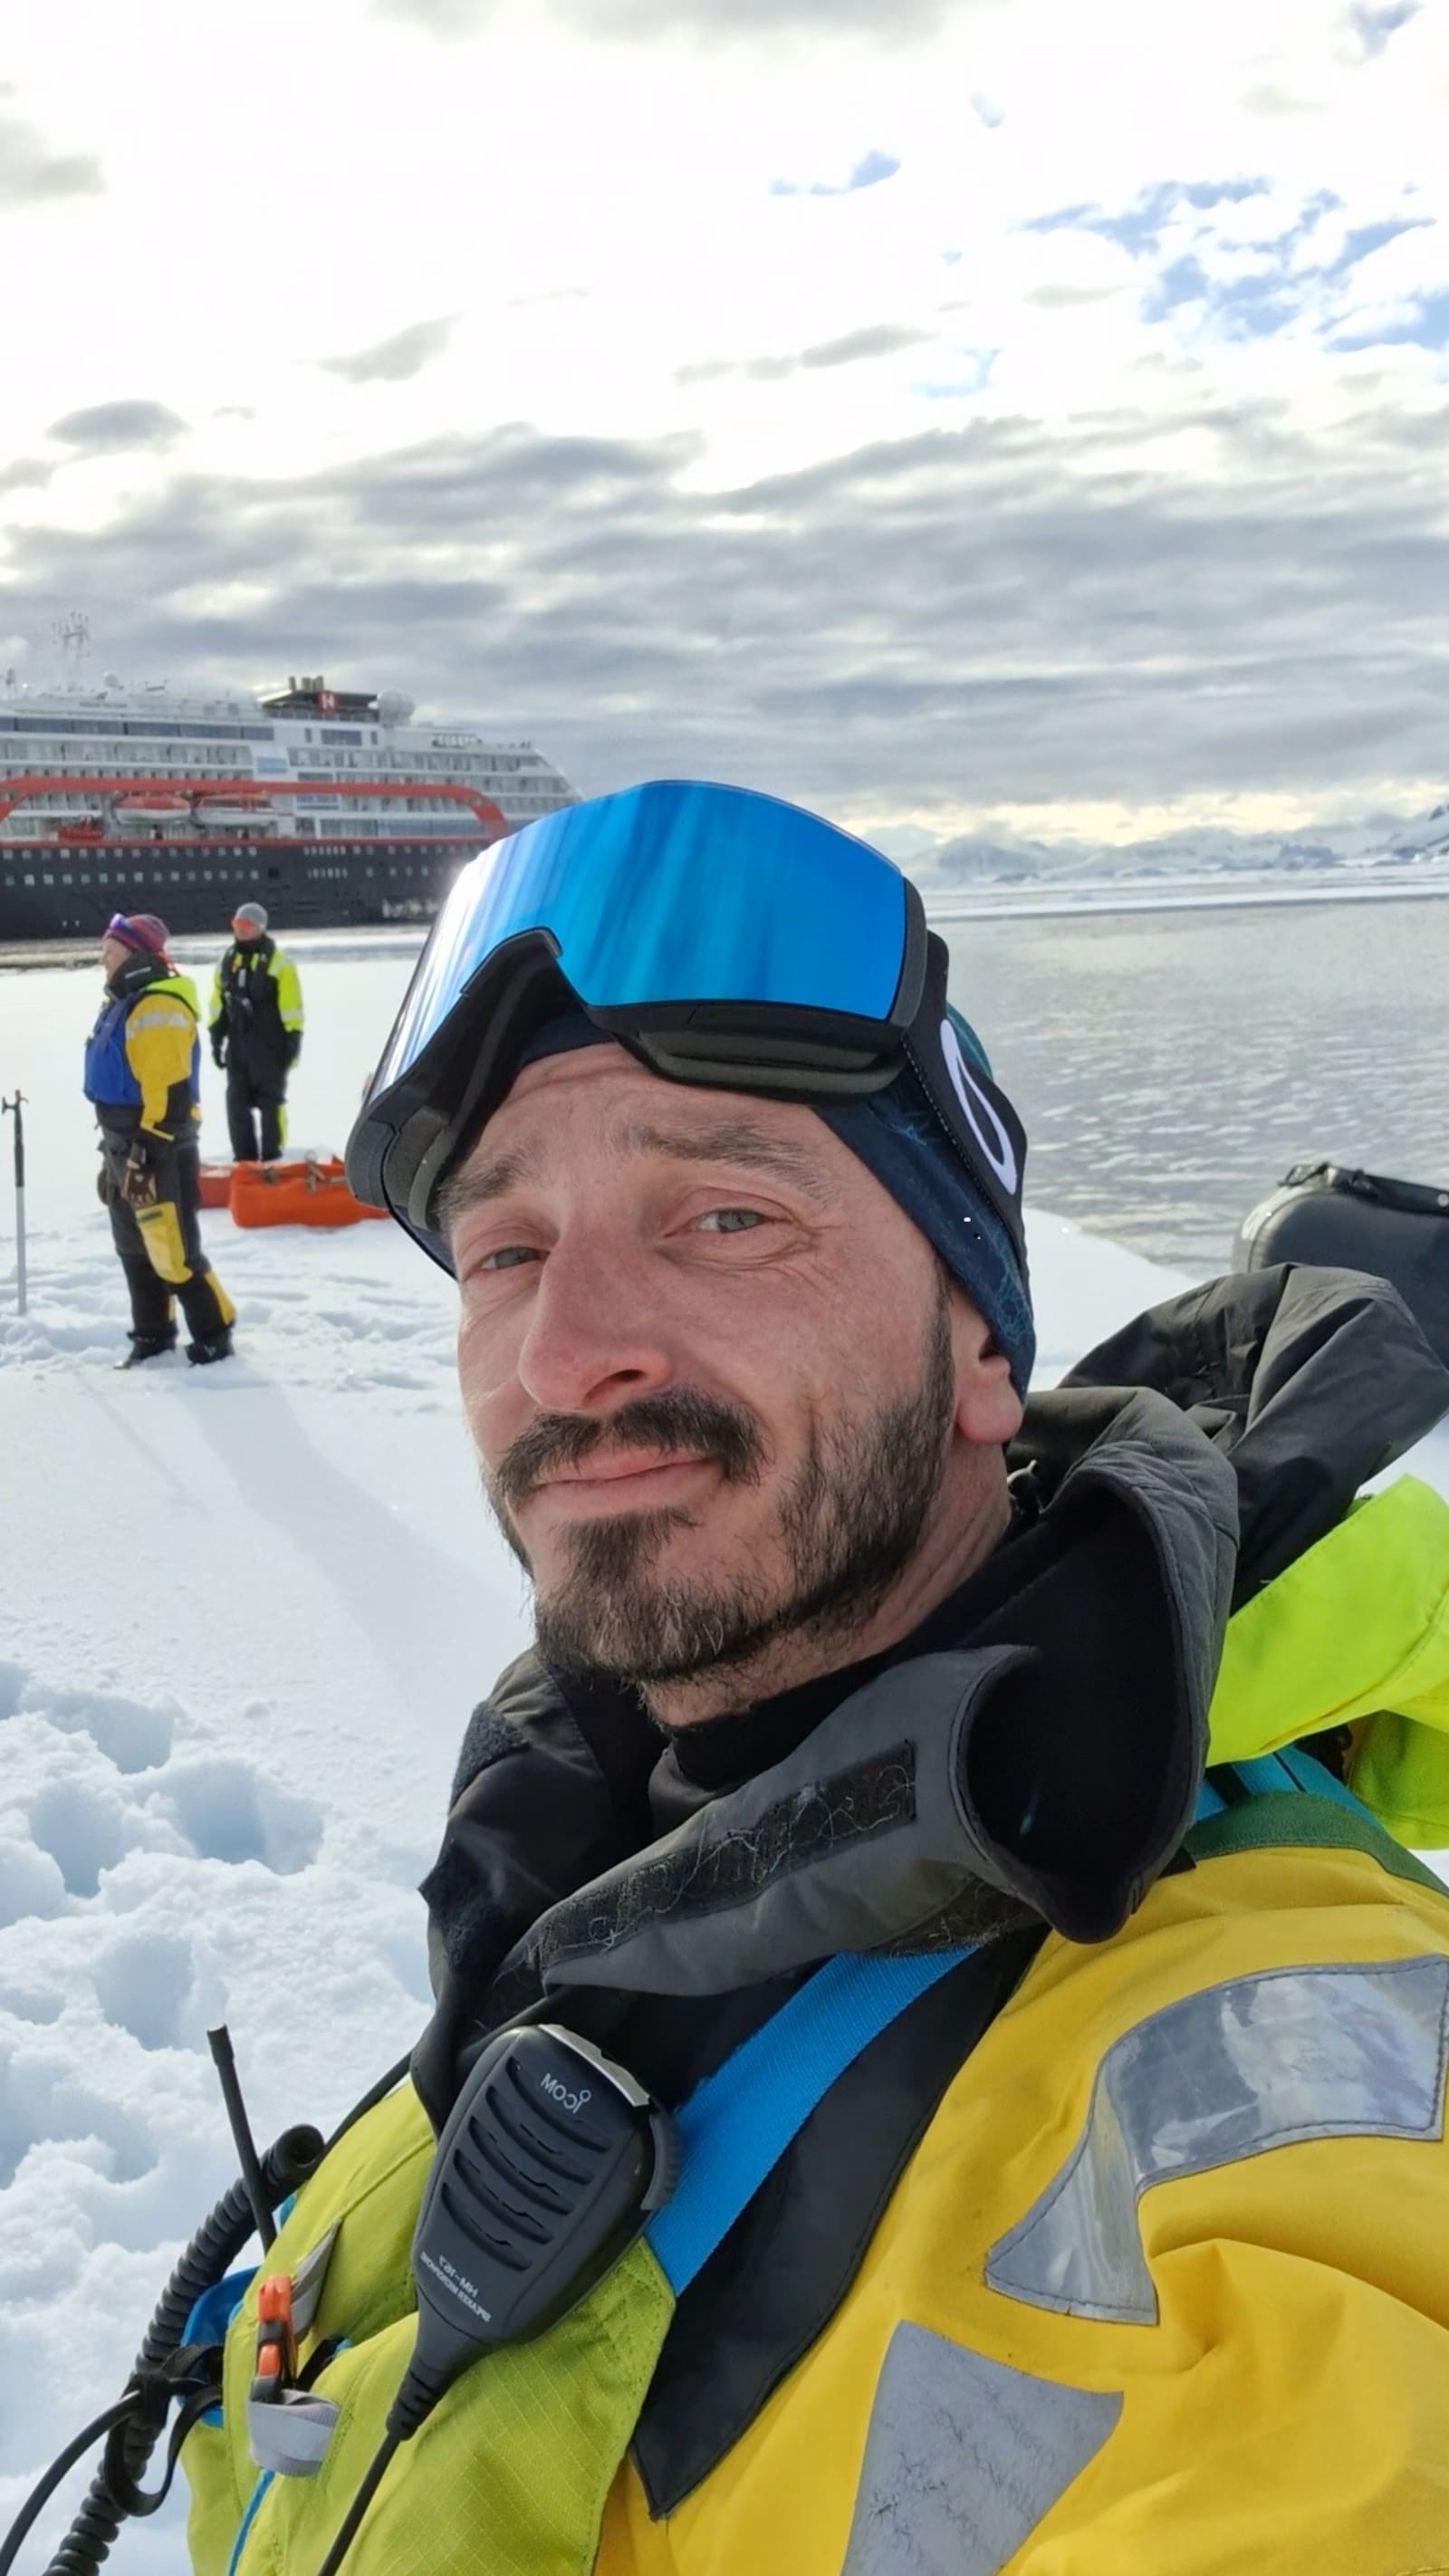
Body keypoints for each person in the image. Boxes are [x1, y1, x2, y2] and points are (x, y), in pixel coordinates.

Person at [183, 784, 1449, 2574]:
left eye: (719, 1217)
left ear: (976, 1356)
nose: (562, 1356)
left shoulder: (1273, 2040)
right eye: (504, 1250)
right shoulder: (594, 1845)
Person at [85, 912, 236, 1368]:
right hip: (120, 1142)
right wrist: (115, 1157)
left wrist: (146, 1151)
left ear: (136, 955)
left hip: (156, 1143)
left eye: (110, 953)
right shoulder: (126, 1001)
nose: (102, 961)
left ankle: (214, 1333)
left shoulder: (158, 1008)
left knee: (172, 1249)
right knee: (132, 1244)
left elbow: (168, 1094)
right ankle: (152, 1335)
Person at [209, 899, 304, 1162]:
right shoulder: (227, 962)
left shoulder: (280, 964)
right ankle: (245, 1161)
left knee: (270, 1104)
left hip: (270, 1046)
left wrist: (293, 1040)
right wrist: (216, 1039)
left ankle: (273, 1158)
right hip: (238, 1047)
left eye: (247, 925)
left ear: (260, 928)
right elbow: (218, 1002)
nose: (241, 930)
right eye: (237, 924)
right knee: (236, 1105)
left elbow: (291, 1007)